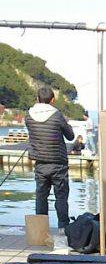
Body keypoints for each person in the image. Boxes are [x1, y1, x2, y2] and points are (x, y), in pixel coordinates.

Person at [25, 85, 74, 247]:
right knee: (61, 197)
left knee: (41, 197)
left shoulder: (29, 116)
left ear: (37, 99)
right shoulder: (57, 115)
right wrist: (65, 123)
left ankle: (41, 234)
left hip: (40, 163)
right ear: (52, 100)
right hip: (58, 163)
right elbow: (70, 135)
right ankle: (63, 231)